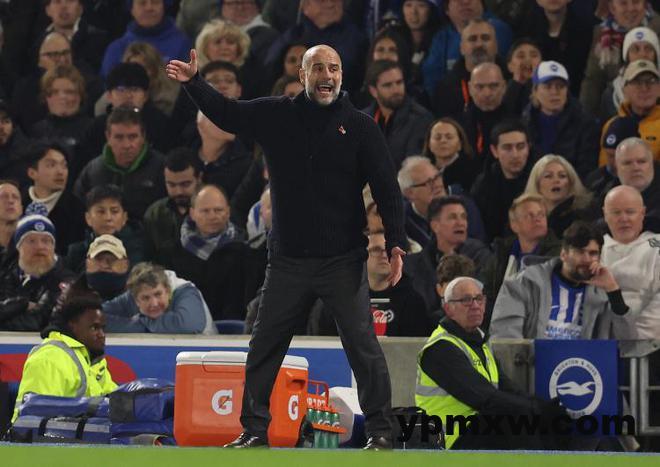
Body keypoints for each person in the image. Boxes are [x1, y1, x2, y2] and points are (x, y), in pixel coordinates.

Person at [167, 44, 406, 449]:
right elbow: (227, 113)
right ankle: (254, 430)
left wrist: (396, 242)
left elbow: (386, 186)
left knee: (362, 345)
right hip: (288, 261)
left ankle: (382, 432)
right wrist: (194, 82)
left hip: (342, 259)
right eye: (319, 68)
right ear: (302, 75)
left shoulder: (361, 126)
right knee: (265, 345)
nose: (327, 76)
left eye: (334, 68)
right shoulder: (275, 114)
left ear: (342, 75)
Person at [416, 276, 566, 450]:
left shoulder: (480, 342)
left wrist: (543, 407)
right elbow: (484, 398)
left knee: (549, 418)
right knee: (517, 418)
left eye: (479, 298)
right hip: (450, 437)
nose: (475, 305)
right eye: (466, 300)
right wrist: (533, 409)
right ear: (448, 309)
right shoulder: (440, 348)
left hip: (477, 426)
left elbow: (508, 388)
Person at [490, 221, 636, 340]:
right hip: (533, 363)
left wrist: (613, 291)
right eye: (580, 252)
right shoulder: (524, 284)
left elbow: (628, 345)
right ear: (563, 254)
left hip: (582, 365)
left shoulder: (602, 294)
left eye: (593, 253)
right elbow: (505, 339)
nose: (587, 259)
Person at [11, 282, 117, 423]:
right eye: (94, 328)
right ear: (72, 325)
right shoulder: (49, 358)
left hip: (79, 435)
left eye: (103, 328)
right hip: (38, 436)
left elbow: (114, 401)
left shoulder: (94, 360)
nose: (102, 335)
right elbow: (35, 419)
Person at [479, 193, 561, 331]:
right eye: (530, 215)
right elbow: (488, 294)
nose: (537, 219)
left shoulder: (558, 254)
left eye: (541, 214)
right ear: (514, 225)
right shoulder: (501, 254)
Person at [74, 105, 166, 222]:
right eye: (119, 137)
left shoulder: (161, 168)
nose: (126, 145)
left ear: (143, 137)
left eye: (132, 137)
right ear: (108, 137)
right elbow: (77, 210)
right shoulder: (92, 171)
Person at [170, 184, 247, 321]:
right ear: (192, 213)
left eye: (218, 210)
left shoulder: (245, 251)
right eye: (205, 211)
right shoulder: (173, 252)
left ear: (228, 212)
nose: (212, 216)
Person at [405, 195, 491, 316]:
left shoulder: (481, 257)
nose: (461, 223)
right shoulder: (414, 265)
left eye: (464, 217)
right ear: (435, 226)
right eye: (452, 217)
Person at [523, 60, 600, 180]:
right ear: (535, 91)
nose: (554, 92)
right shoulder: (525, 123)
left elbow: (587, 167)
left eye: (560, 86)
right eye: (548, 86)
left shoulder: (585, 123)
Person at [601, 185, 660, 339]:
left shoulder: (657, 245)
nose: (623, 219)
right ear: (605, 214)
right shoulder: (594, 248)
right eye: (616, 212)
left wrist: (634, 339)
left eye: (630, 212)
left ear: (643, 213)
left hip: (648, 342)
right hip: (600, 339)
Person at [0, 211, 73, 331]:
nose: (40, 247)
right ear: (19, 247)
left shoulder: (65, 282)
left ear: (53, 247)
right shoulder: (6, 277)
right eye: (31, 241)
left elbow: (37, 323)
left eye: (46, 241)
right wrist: (22, 304)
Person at [103, 261, 217, 335]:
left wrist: (142, 323)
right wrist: (134, 324)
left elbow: (188, 326)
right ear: (136, 300)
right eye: (146, 298)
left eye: (158, 294)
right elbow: (96, 317)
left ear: (167, 290)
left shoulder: (185, 291)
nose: (154, 303)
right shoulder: (134, 293)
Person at [362, 60, 433, 169]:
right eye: (388, 85)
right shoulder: (362, 119)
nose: (396, 90)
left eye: (399, 82)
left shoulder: (421, 119)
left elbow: (413, 167)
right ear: (373, 91)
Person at [470, 119, 533, 242]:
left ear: (528, 148)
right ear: (495, 151)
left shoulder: (540, 179)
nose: (515, 155)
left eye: (520, 147)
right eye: (507, 148)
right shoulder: (483, 185)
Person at [22, 140, 86, 255]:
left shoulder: (77, 210)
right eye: (51, 165)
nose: (60, 172)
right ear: (32, 173)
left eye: (64, 166)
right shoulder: (17, 203)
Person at [100, 0, 191, 78]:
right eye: (142, 3)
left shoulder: (182, 43)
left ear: (164, 6)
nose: (149, 8)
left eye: (155, 2)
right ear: (131, 8)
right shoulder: (116, 49)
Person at [66, 185, 145, 274]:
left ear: (124, 217)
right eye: (101, 211)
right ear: (88, 218)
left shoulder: (139, 250)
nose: (108, 218)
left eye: (114, 211)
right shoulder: (76, 252)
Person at [143, 147, 201, 268]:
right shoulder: (155, 214)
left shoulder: (214, 211)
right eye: (171, 185)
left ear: (199, 178)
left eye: (185, 184)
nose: (178, 191)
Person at [523, 154, 596, 239]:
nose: (556, 180)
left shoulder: (581, 219)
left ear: (571, 183)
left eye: (562, 176)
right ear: (537, 184)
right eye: (548, 176)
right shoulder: (525, 217)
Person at [613, 136, 660, 220]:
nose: (636, 168)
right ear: (617, 168)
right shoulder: (607, 192)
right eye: (627, 163)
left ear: (652, 164)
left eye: (642, 161)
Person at [84, 234, 130, 301]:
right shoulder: (72, 300)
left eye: (112, 260)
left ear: (126, 264)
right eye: (98, 259)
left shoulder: (140, 301)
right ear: (87, 263)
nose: (105, 265)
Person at [0, 181, 23, 259]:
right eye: (3, 197)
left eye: (15, 197)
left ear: (21, 209)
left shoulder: (31, 246)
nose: (11, 201)